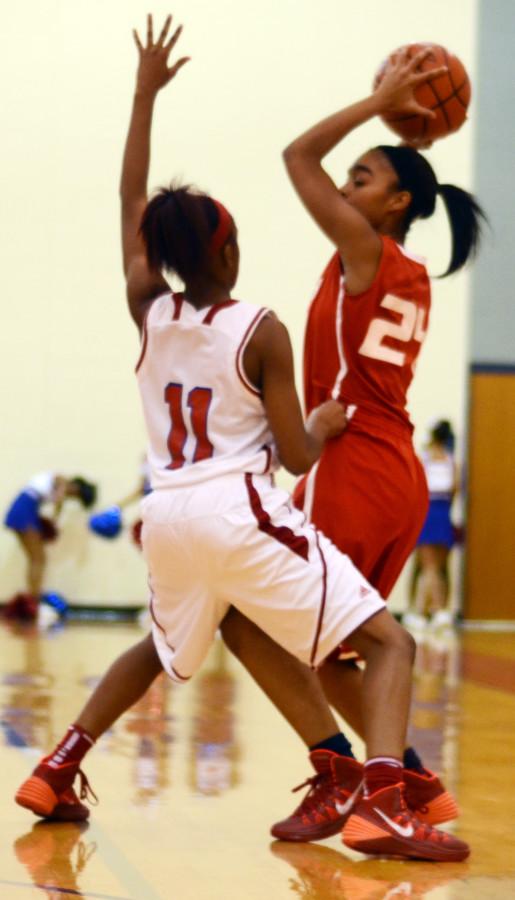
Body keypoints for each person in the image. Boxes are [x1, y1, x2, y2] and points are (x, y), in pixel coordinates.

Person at [15, 16, 470, 863]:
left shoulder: (147, 310)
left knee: (195, 640)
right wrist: (321, 425)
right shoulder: (261, 327)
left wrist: (142, 95)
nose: (341, 185)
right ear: (229, 248)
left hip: (171, 514)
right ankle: (380, 791)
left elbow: (130, 200)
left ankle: (64, 764)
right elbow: (296, 453)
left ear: (160, 253)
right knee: (379, 640)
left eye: (361, 177)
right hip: (274, 495)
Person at [3, 473, 97, 621]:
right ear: (76, 487)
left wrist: (54, 519)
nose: (71, 498)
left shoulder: (56, 487)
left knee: (36, 559)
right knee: (38, 559)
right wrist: (55, 517)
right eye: (76, 496)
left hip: (27, 508)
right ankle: (33, 602)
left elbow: (58, 500)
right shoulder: (61, 479)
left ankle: (31, 599)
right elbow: (59, 496)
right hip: (24, 509)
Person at [404, 420, 458, 631]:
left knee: (439, 566)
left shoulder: (450, 461)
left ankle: (432, 610)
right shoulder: (424, 459)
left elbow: (454, 489)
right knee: (426, 565)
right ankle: (427, 610)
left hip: (442, 512)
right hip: (427, 511)